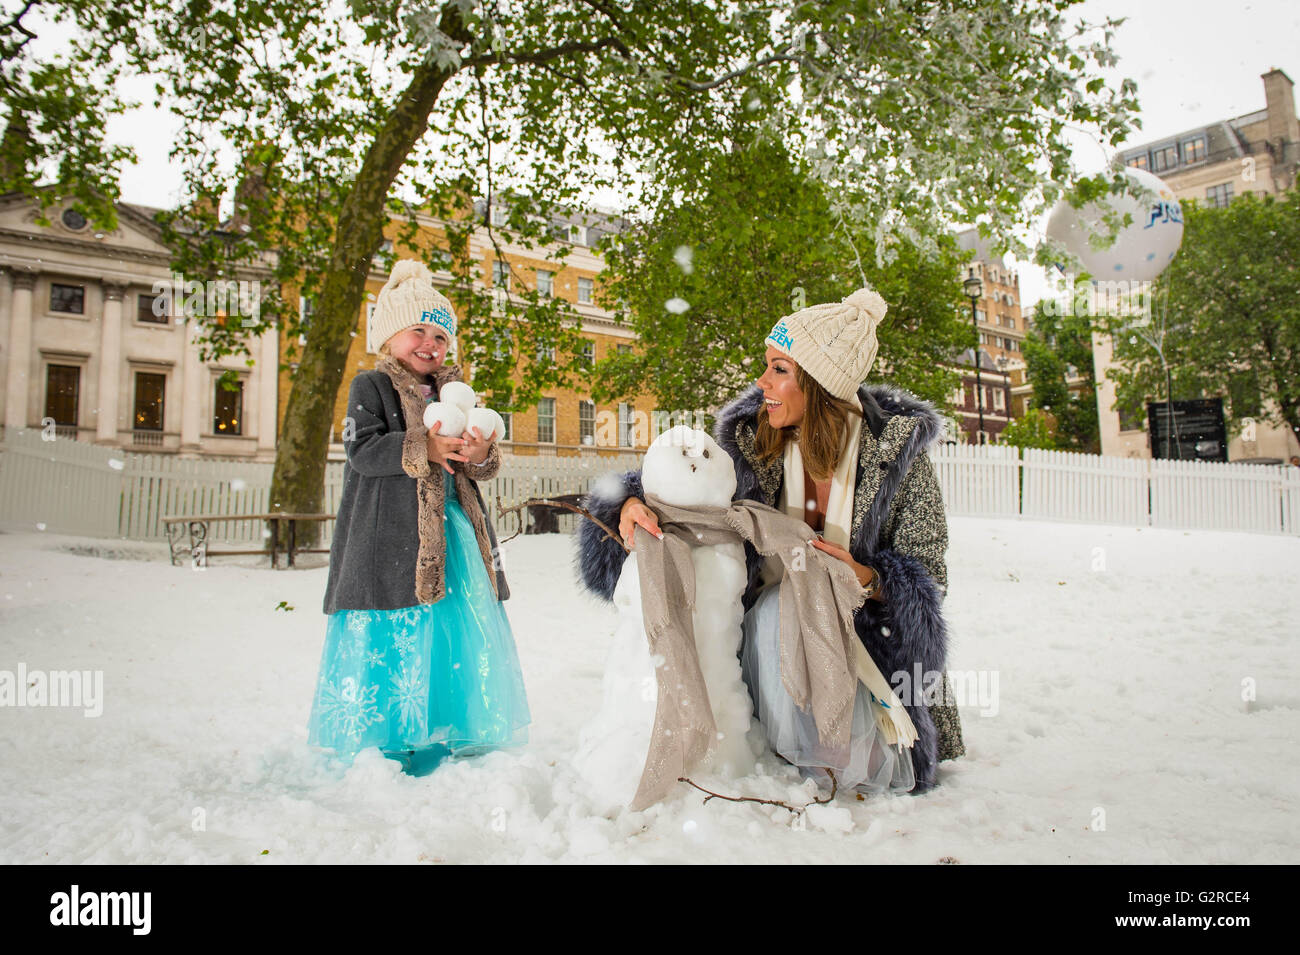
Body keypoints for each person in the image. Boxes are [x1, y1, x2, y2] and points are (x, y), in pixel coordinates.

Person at [577, 287, 964, 792]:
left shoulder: (897, 459)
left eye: (779, 369)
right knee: (780, 605)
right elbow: (681, 481)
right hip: (758, 649)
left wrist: (866, 578)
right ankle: (783, 744)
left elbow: (928, 578)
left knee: (801, 611)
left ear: (821, 384)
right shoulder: (747, 442)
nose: (761, 382)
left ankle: (836, 744)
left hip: (862, 650)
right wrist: (626, 503)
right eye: (767, 366)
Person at [308, 259, 529, 775]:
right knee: (400, 620)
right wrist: (421, 445)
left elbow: (474, 461)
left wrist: (478, 454)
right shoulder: (372, 387)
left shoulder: (457, 392)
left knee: (454, 623)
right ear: (390, 336)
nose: (431, 343)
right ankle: (391, 729)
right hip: (391, 535)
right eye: (418, 331)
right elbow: (362, 451)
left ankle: (451, 722)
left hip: (452, 531)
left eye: (441, 335)